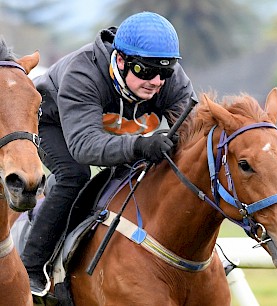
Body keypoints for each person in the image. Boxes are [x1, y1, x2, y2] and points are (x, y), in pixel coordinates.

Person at [21, 11, 197, 295]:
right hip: (53, 124)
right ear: (119, 60)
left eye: (164, 72)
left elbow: (195, 135)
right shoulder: (83, 73)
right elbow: (84, 147)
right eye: (144, 71)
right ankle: (31, 266)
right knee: (74, 175)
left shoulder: (170, 79)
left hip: (111, 128)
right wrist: (140, 145)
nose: (155, 81)